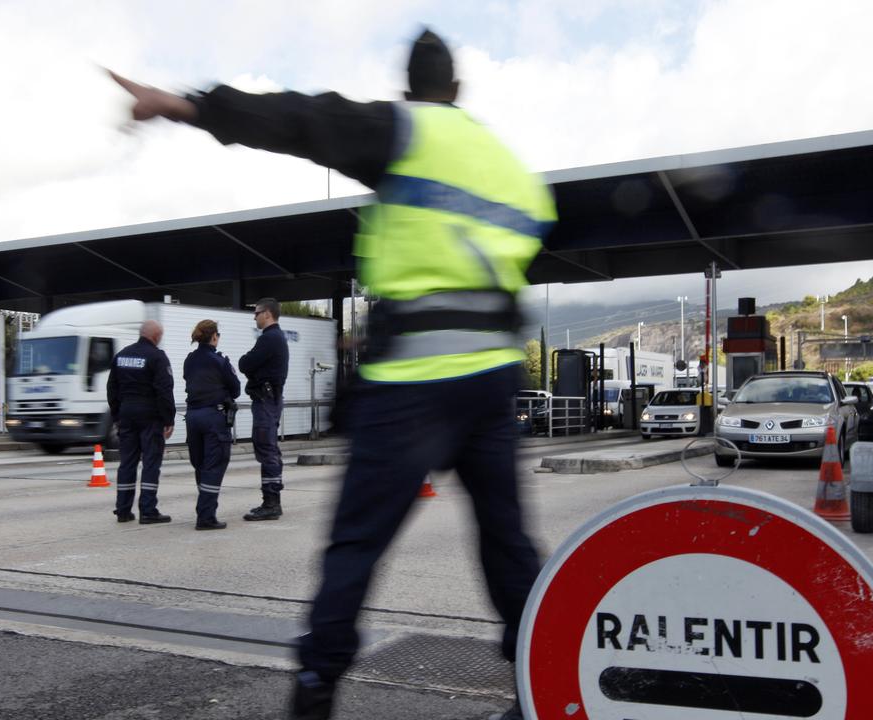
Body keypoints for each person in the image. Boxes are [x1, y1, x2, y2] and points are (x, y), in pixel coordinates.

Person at [107, 28, 556, 720]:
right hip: (492, 382)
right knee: (509, 547)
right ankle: (543, 685)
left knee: (355, 544)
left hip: (413, 378)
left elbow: (301, 120)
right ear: (459, 90)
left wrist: (189, 105)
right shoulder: (512, 170)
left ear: (409, 90)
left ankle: (315, 691)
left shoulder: (406, 129)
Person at [105, 319, 174, 524]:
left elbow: (112, 389)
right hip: (150, 416)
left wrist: (117, 414)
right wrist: (168, 418)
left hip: (127, 414)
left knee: (127, 462)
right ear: (155, 336)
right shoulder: (157, 357)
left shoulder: (122, 355)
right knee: (151, 462)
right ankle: (148, 510)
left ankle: (123, 510)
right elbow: (164, 390)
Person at [182, 319, 241, 530]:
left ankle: (205, 510)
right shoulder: (220, 361)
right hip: (213, 418)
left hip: (192, 417)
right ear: (214, 336)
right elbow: (235, 389)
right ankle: (206, 517)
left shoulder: (189, 360)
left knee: (201, 465)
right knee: (214, 467)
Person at [238, 297, 290, 521]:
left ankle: (271, 503)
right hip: (271, 398)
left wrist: (249, 368)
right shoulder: (276, 338)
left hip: (265, 400)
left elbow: (245, 364)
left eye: (257, 313)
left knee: (266, 448)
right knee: (269, 448)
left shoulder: (269, 339)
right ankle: (272, 497)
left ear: (267, 314)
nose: (255, 316)